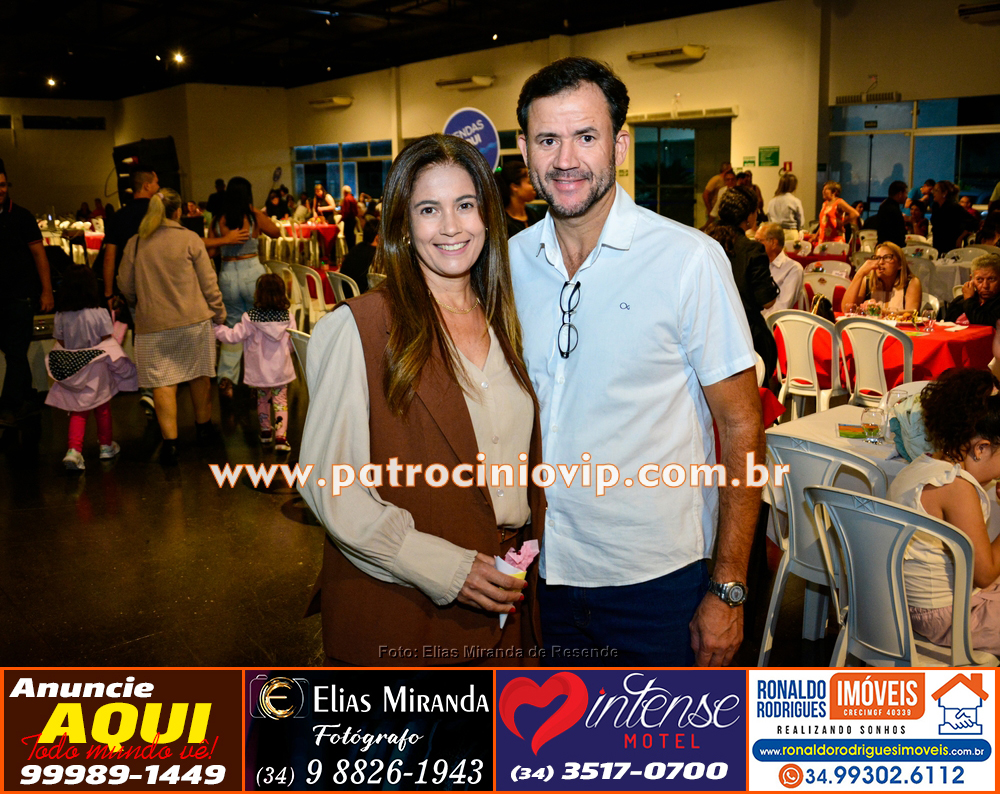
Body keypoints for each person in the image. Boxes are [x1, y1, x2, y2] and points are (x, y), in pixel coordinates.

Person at [511, 56, 762, 667]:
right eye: (548, 139)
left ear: (619, 145)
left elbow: (741, 425)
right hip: (542, 573)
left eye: (586, 136)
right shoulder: (509, 264)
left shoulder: (687, 261)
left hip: (658, 584)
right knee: (558, 731)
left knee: (664, 731)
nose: (565, 159)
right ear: (524, 150)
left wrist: (729, 586)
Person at [298, 134, 544, 666]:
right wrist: (444, 567)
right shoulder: (360, 328)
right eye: (429, 209)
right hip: (401, 606)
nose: (451, 226)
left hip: (510, 598)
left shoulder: (510, 320)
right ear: (404, 226)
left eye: (465, 205)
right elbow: (330, 485)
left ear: (488, 217)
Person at [887, 368, 1000, 655]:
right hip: (949, 620)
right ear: (981, 448)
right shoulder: (957, 487)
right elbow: (985, 575)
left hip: (900, 607)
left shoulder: (920, 466)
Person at [117, 188, 226, 465]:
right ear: (178, 212)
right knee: (200, 376)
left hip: (153, 326)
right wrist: (219, 313)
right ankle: (203, 430)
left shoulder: (135, 243)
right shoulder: (190, 239)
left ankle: (171, 444)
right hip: (193, 321)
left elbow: (125, 286)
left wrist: (139, 305)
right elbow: (209, 283)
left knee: (162, 383)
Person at [45, 265, 137, 470]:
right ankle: (106, 446)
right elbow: (106, 341)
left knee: (78, 410)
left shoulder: (61, 315)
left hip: (74, 368)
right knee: (102, 408)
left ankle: (74, 450)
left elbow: (61, 342)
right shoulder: (99, 313)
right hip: (97, 369)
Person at [207, 177, 280, 399]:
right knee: (259, 326)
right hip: (252, 274)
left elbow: (210, 252)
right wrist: (253, 209)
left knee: (232, 327)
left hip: (228, 275)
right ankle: (259, 380)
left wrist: (225, 241)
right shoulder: (253, 217)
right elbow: (275, 232)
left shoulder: (218, 220)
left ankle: (227, 378)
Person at [0, 159, 55, 427]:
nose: (0, 190)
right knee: (15, 352)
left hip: (20, 297)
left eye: (2, 185)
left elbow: (39, 255)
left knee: (16, 351)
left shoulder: (21, 216)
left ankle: (7, 406)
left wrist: (47, 291)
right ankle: (27, 397)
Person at [214, 273, 296, 452]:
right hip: (280, 371)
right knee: (280, 402)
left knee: (262, 400)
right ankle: (281, 439)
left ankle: (265, 433)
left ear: (258, 293)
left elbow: (233, 336)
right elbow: (292, 345)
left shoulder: (250, 318)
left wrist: (216, 328)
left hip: (260, 372)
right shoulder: (288, 317)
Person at [705, 186, 779, 379]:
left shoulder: (704, 241)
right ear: (749, 216)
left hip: (707, 332)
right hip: (744, 336)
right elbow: (767, 301)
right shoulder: (751, 249)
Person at [843, 241, 922, 312]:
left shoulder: (912, 283)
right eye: (877, 258)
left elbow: (911, 313)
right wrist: (860, 273)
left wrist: (878, 311)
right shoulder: (867, 281)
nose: (880, 262)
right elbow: (846, 309)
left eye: (887, 257)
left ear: (900, 264)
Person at [755, 222, 804, 316]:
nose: (754, 246)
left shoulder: (793, 269)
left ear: (773, 243)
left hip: (774, 322)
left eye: (759, 241)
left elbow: (781, 308)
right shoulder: (757, 265)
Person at [945, 253, 1000, 326]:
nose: (985, 286)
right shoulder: (959, 301)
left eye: (991, 279)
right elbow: (945, 326)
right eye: (979, 279)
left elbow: (984, 326)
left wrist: (969, 300)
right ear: (972, 280)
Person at [494, 160, 539, 238]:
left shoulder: (533, 215)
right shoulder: (501, 223)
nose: (534, 187)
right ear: (514, 187)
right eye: (529, 182)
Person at [931, 180, 977, 254]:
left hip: (950, 243)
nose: (933, 192)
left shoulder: (953, 207)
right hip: (937, 242)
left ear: (944, 193)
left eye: (936, 190)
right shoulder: (935, 206)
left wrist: (960, 237)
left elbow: (973, 222)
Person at [338, 218, 377, 295]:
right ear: (378, 237)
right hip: (360, 297)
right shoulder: (374, 255)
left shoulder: (356, 248)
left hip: (344, 295)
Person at [876, 180, 908, 247]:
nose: (906, 196)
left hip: (882, 246)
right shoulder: (894, 210)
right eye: (905, 193)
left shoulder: (884, 205)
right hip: (892, 248)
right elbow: (898, 235)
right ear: (900, 194)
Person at [340, 185, 359, 251]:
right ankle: (353, 251)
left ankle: (350, 252)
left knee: (348, 237)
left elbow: (346, 211)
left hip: (348, 220)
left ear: (344, 192)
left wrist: (342, 219)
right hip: (353, 219)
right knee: (352, 237)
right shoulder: (353, 198)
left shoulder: (346, 199)